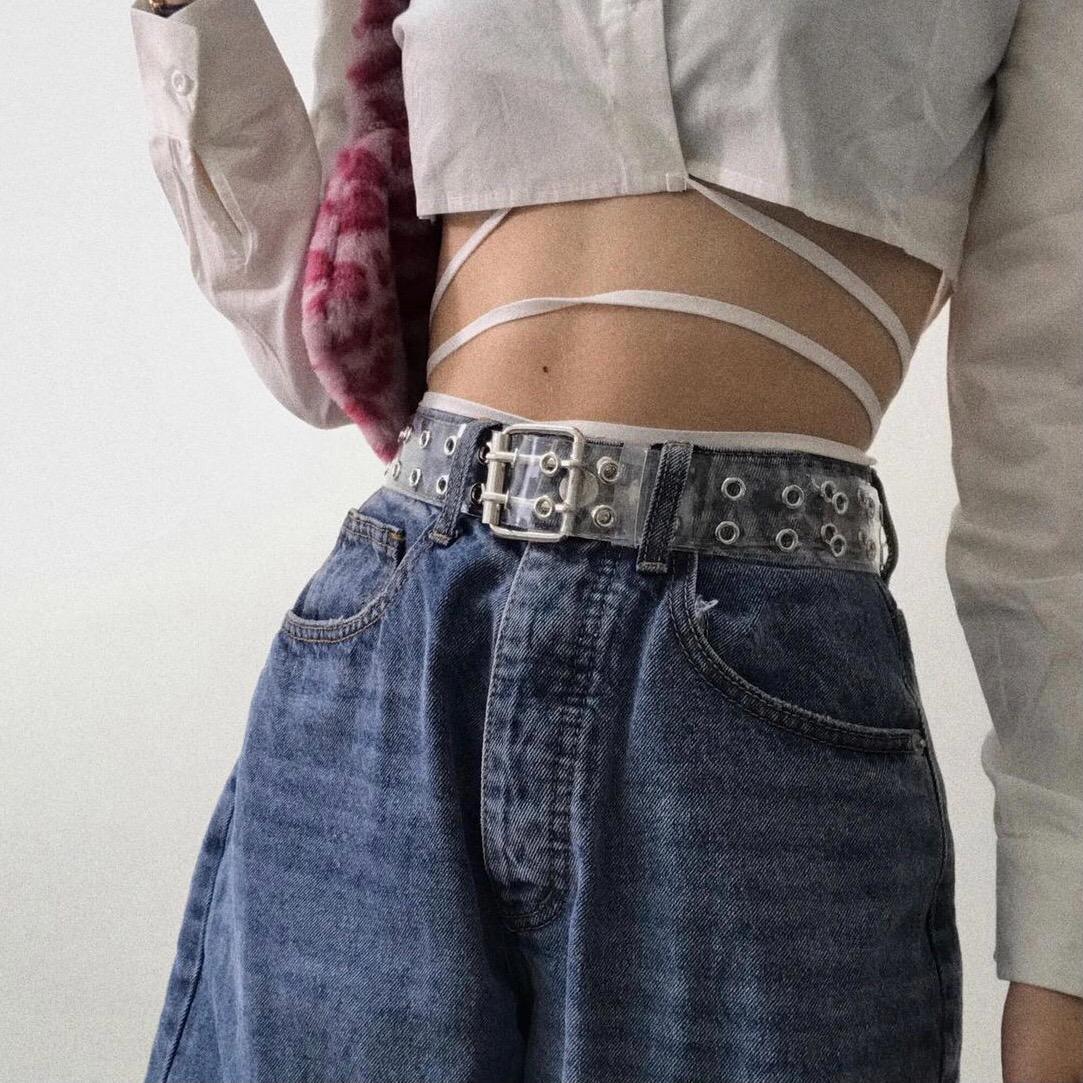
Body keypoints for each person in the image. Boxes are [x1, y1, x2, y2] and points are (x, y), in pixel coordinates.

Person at [128, 0, 1083, 1079]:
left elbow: (1052, 435)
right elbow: (326, 337)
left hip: (750, 699)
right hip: (396, 638)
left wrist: (1064, 948)